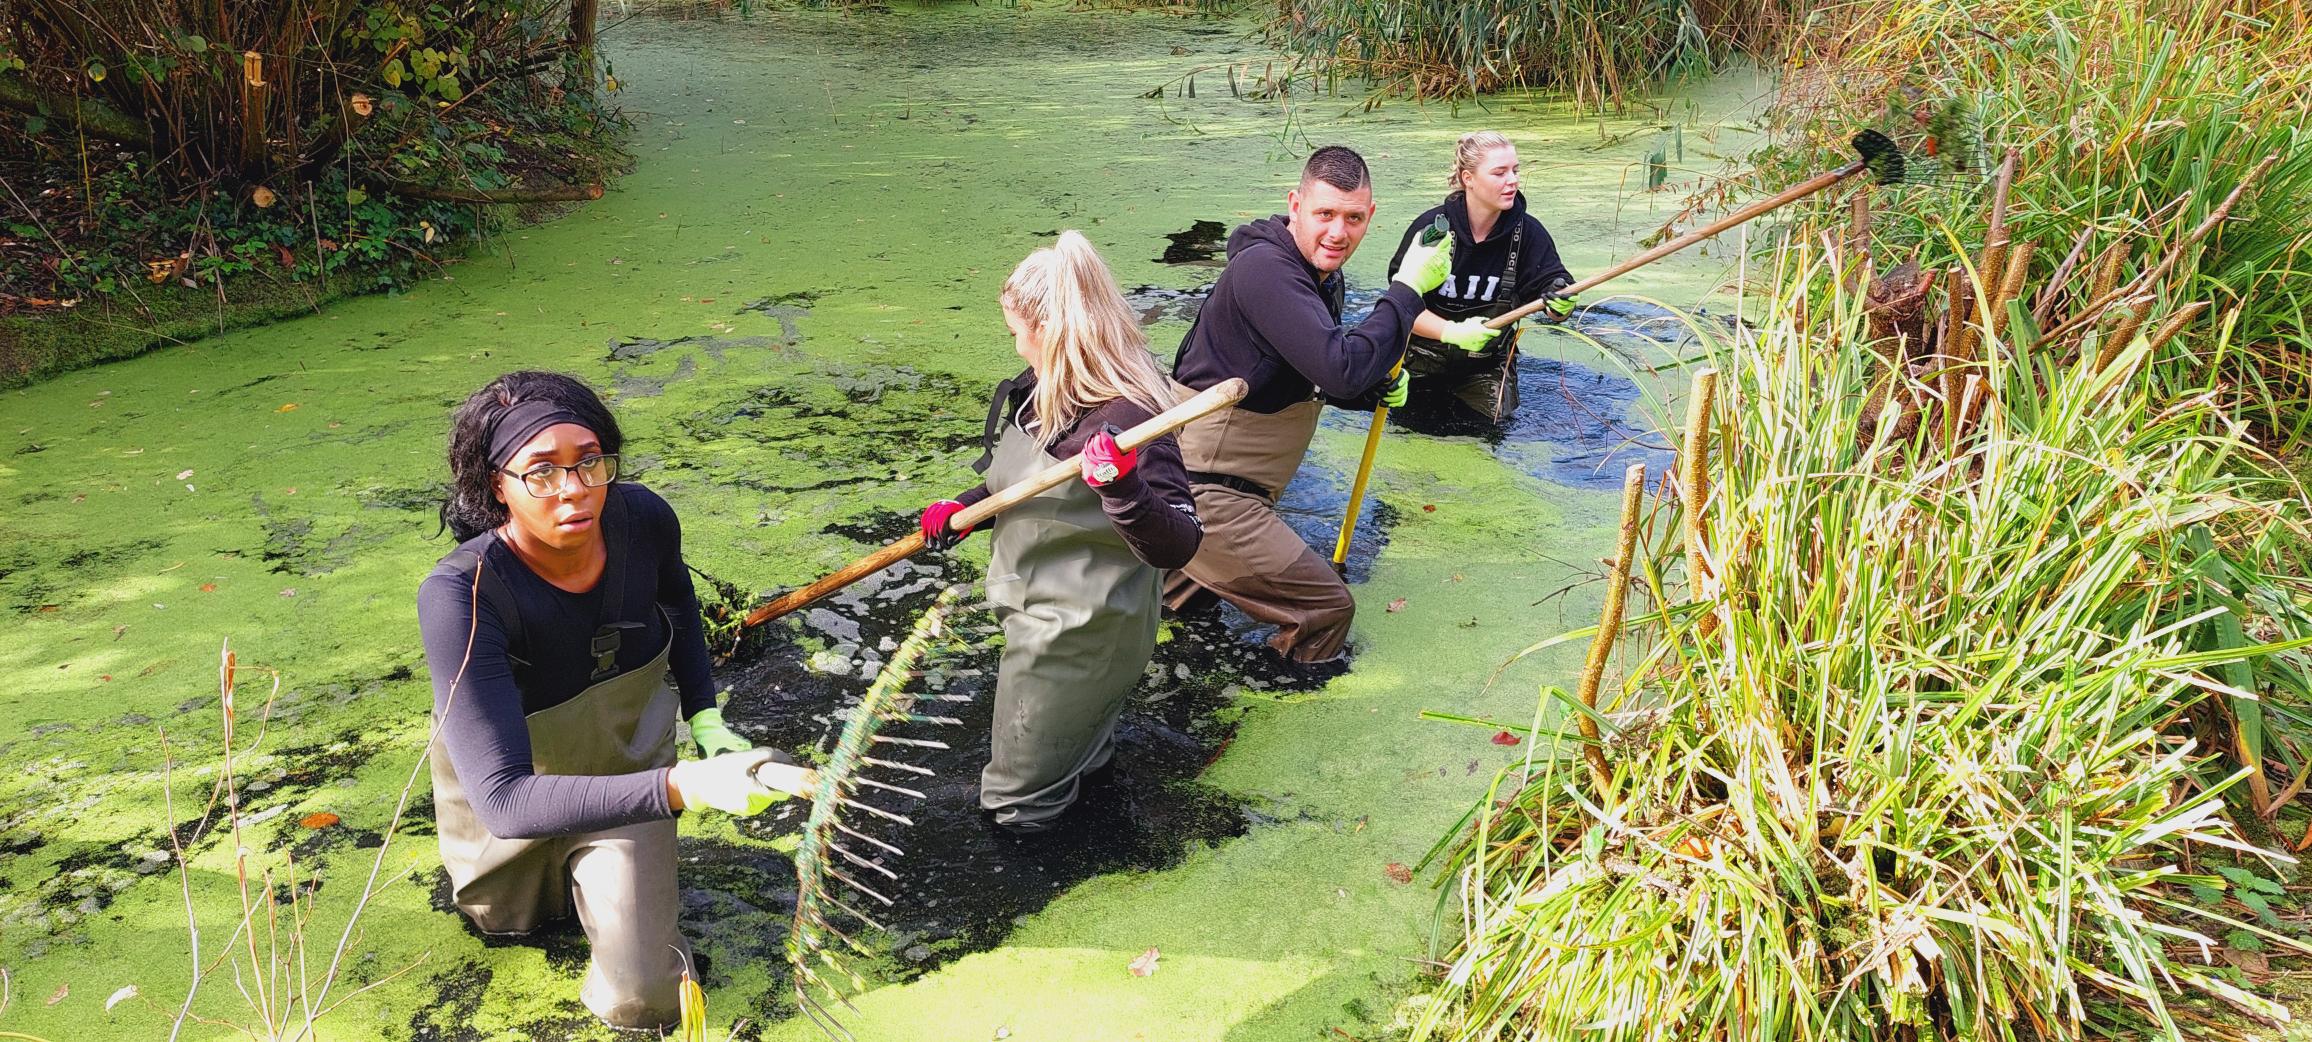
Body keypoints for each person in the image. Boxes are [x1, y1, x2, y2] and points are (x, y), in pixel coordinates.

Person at [418, 371, 810, 1030]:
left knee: (646, 999)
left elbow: (678, 603)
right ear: (497, 487)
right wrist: (688, 786)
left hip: (633, 779)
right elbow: (505, 802)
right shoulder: (463, 595)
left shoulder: (641, 519)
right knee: (506, 924)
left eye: (589, 462)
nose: (574, 489)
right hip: (514, 807)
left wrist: (705, 717)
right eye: (541, 471)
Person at [916, 232, 1204, 833]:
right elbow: (1026, 485)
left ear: (1051, 331)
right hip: (1036, 611)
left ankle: (1042, 905)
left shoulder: (1128, 419)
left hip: (1079, 634)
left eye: (1018, 332)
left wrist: (1122, 487)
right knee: (1079, 763)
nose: (1017, 346)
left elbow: (1180, 541)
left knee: (1017, 804)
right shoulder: (1043, 394)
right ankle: (1105, 848)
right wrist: (967, 508)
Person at [1160, 145, 1454, 665]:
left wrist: (1370, 390)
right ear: (1294, 204)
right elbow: (1338, 365)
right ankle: (1281, 703)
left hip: (1234, 487)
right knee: (1325, 609)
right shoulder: (1266, 272)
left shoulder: (1318, 272)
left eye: (1353, 218)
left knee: (1179, 615)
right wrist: (1407, 292)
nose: (1338, 233)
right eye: (1324, 214)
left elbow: (1328, 378)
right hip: (1206, 493)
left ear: (1371, 216)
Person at [1384, 131, 1579, 423]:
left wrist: (1562, 303)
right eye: (1499, 172)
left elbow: (1555, 295)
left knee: (1490, 435)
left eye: (1515, 171)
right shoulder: (1432, 230)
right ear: (1468, 179)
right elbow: (1400, 308)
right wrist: (1452, 332)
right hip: (1419, 361)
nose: (1512, 180)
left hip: (1485, 367)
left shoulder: (1528, 234)